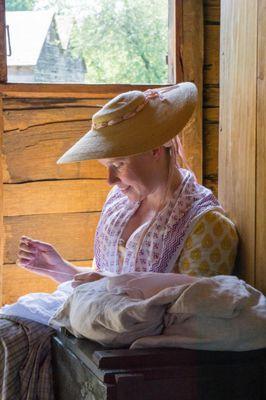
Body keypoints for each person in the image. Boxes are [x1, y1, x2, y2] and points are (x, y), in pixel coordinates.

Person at [16, 82, 238, 290]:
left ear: (154, 149)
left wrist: (107, 286)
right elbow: (103, 278)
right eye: (106, 166)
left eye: (118, 164)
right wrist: (62, 269)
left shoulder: (206, 225)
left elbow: (198, 311)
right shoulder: (119, 203)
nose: (110, 180)